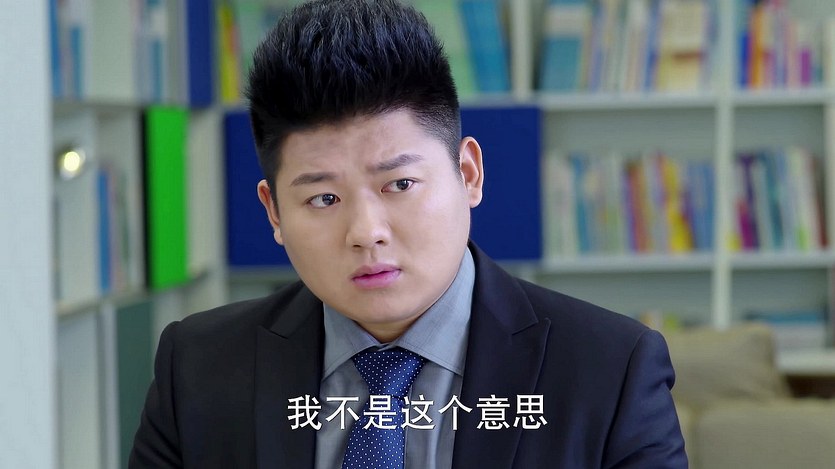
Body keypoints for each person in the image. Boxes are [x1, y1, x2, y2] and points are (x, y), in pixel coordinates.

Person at [129, 0, 687, 467]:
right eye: (324, 198)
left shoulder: (611, 370)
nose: (366, 233)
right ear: (273, 212)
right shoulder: (196, 369)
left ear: (468, 173)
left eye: (399, 184)